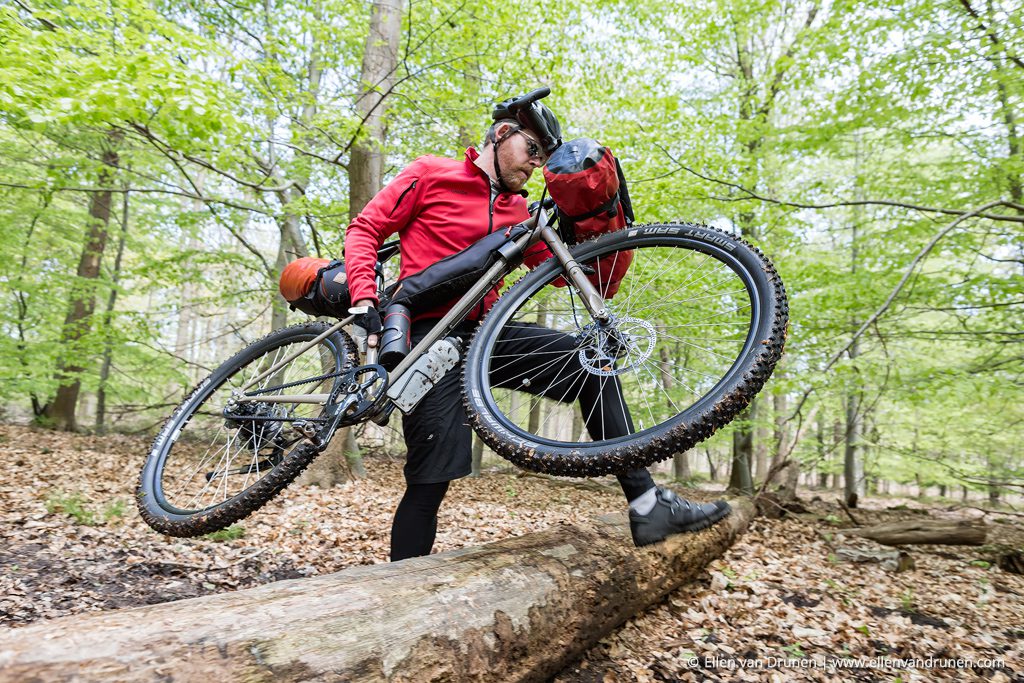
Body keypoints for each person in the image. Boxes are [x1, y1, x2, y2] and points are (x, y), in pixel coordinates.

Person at [342, 92, 731, 561]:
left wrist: (597, 226)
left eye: (543, 159)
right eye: (532, 150)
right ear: (501, 135)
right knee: (430, 480)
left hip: (485, 336)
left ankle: (647, 504)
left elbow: (580, 279)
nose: (535, 164)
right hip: (426, 336)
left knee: (589, 366)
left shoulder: (520, 216)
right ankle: (397, 590)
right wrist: (364, 298)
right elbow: (365, 229)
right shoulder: (431, 172)